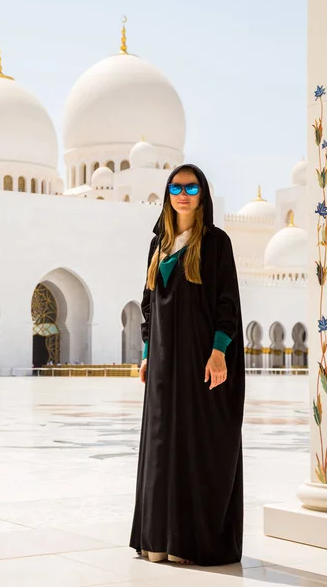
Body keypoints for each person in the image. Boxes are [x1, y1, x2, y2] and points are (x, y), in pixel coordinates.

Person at [129, 163, 245, 566]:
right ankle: (158, 538)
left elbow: (227, 301)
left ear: (202, 194)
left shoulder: (215, 243)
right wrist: (146, 353)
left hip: (199, 362)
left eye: (191, 187)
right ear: (167, 193)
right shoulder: (159, 243)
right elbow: (148, 305)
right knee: (163, 447)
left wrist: (218, 352)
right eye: (176, 187)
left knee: (196, 443)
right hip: (163, 363)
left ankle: (190, 540)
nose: (183, 193)